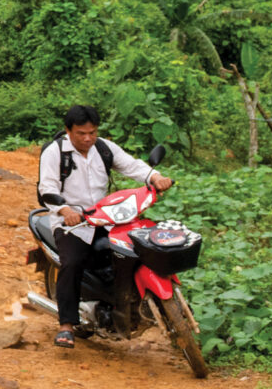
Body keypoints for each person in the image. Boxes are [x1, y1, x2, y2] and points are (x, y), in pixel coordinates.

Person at [38, 105, 173, 348]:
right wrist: (65, 210)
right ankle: (66, 325)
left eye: (92, 132)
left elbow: (132, 166)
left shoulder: (103, 147)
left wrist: (155, 177)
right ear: (68, 130)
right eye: (81, 133)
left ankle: (127, 305)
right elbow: (46, 188)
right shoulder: (55, 152)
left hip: (106, 218)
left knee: (132, 251)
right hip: (72, 223)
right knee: (72, 262)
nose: (88, 138)